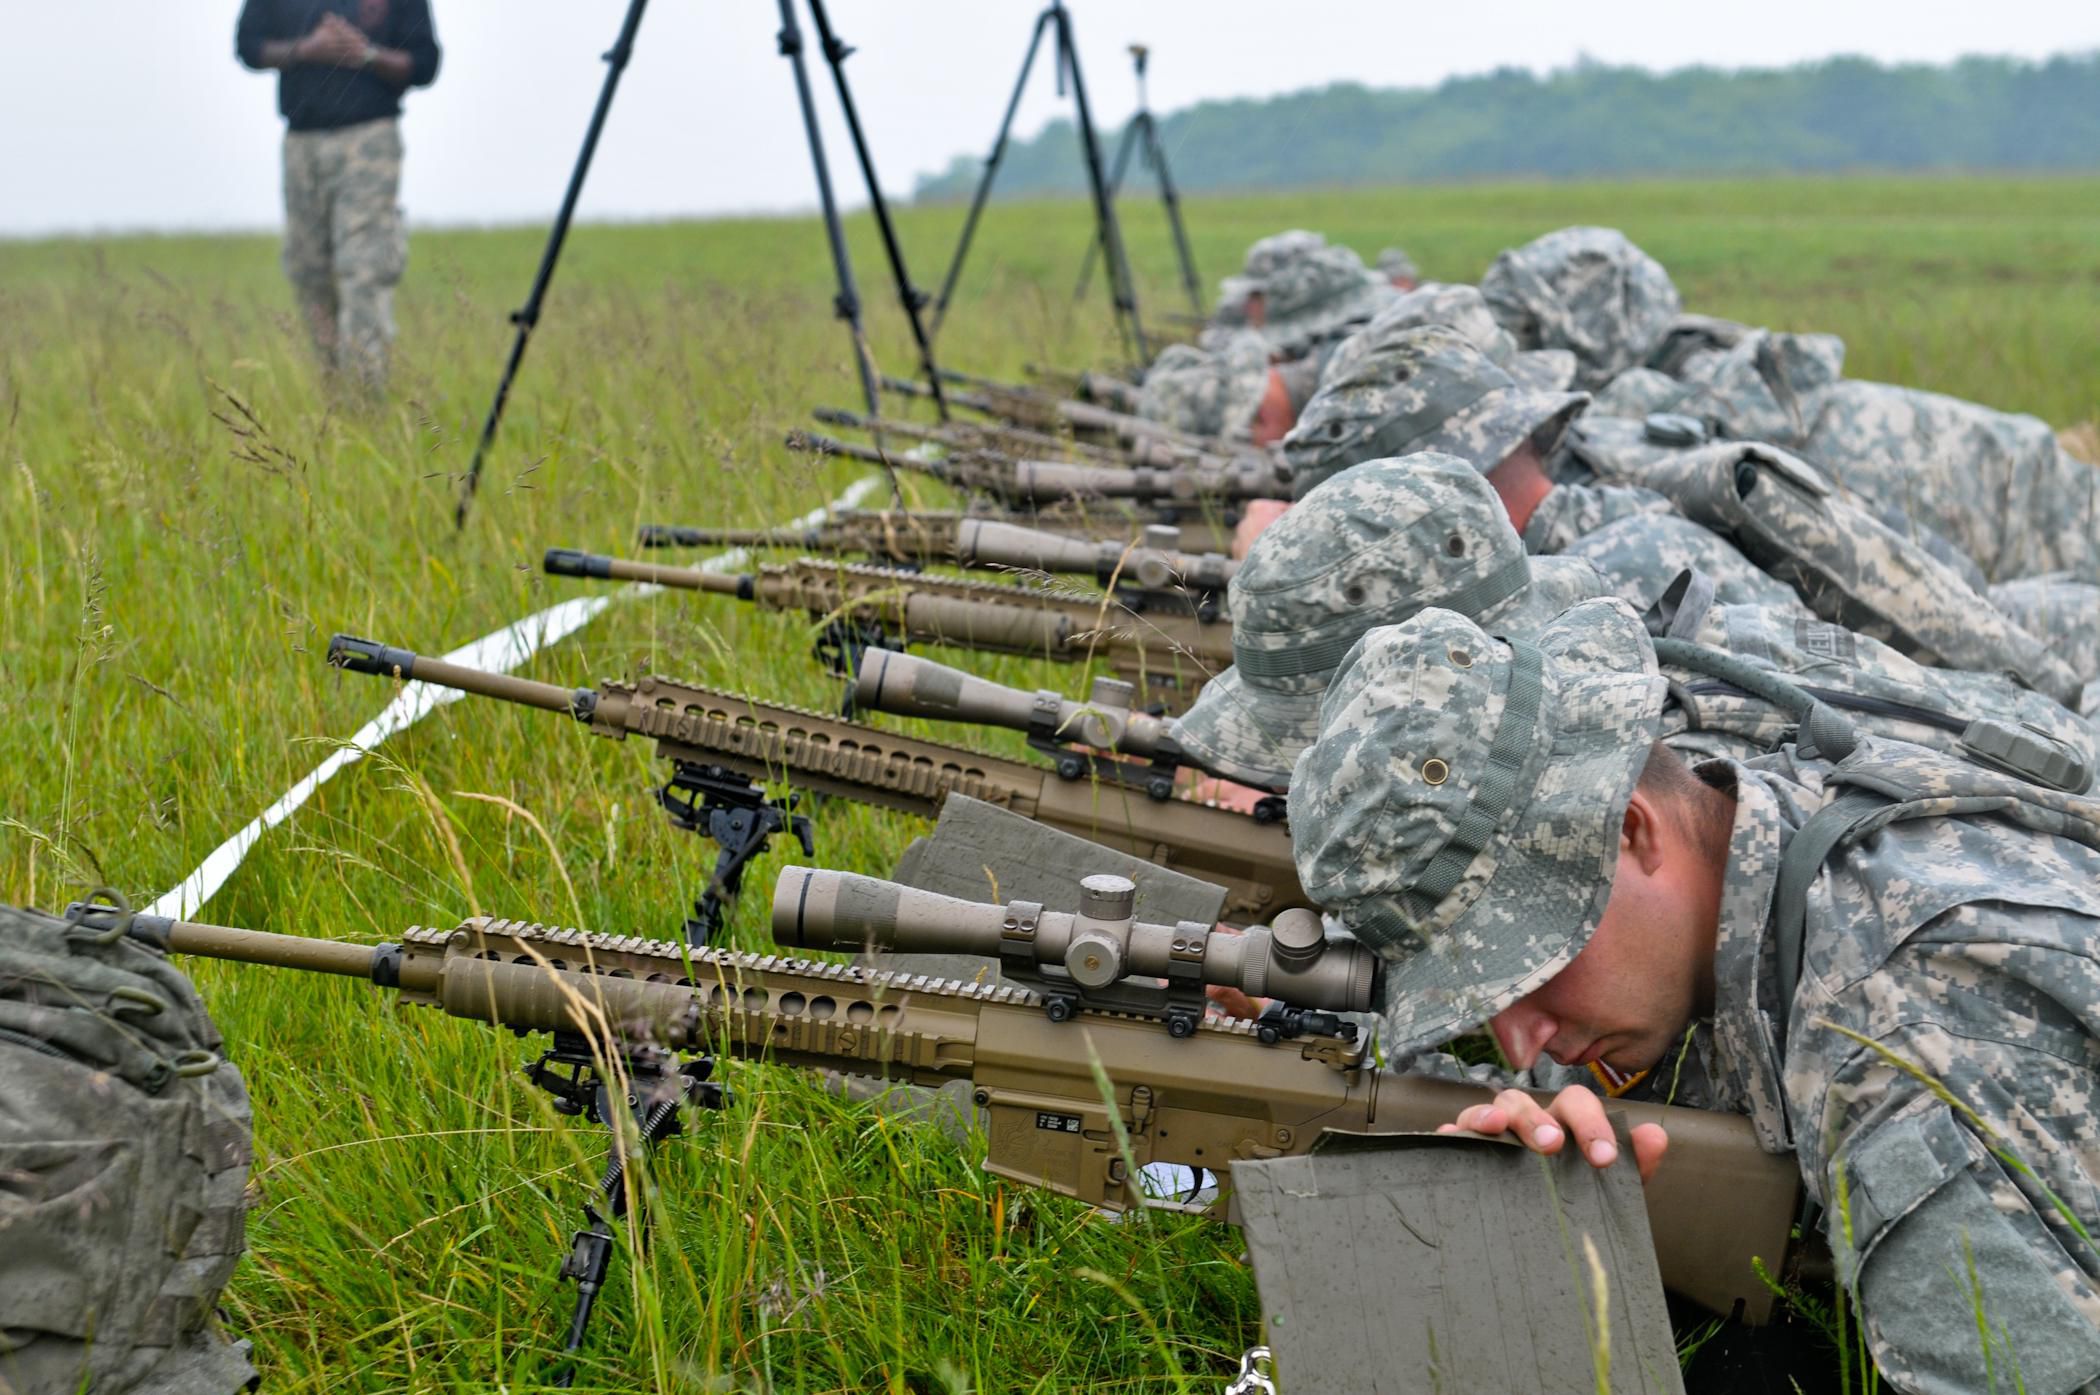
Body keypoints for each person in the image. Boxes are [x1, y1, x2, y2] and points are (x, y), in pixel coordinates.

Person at [1291, 600, 2100, 1392]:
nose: (1520, 1043)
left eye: (1525, 963)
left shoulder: (1886, 1038)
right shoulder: (1757, 831)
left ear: (1630, 832)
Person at [236, 0, 441, 390]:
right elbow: (249, 47)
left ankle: (366, 401)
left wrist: (364, 55)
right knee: (309, 271)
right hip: (301, 141)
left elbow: (425, 65)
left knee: (363, 270)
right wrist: (306, 50)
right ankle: (333, 395)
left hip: (369, 138)